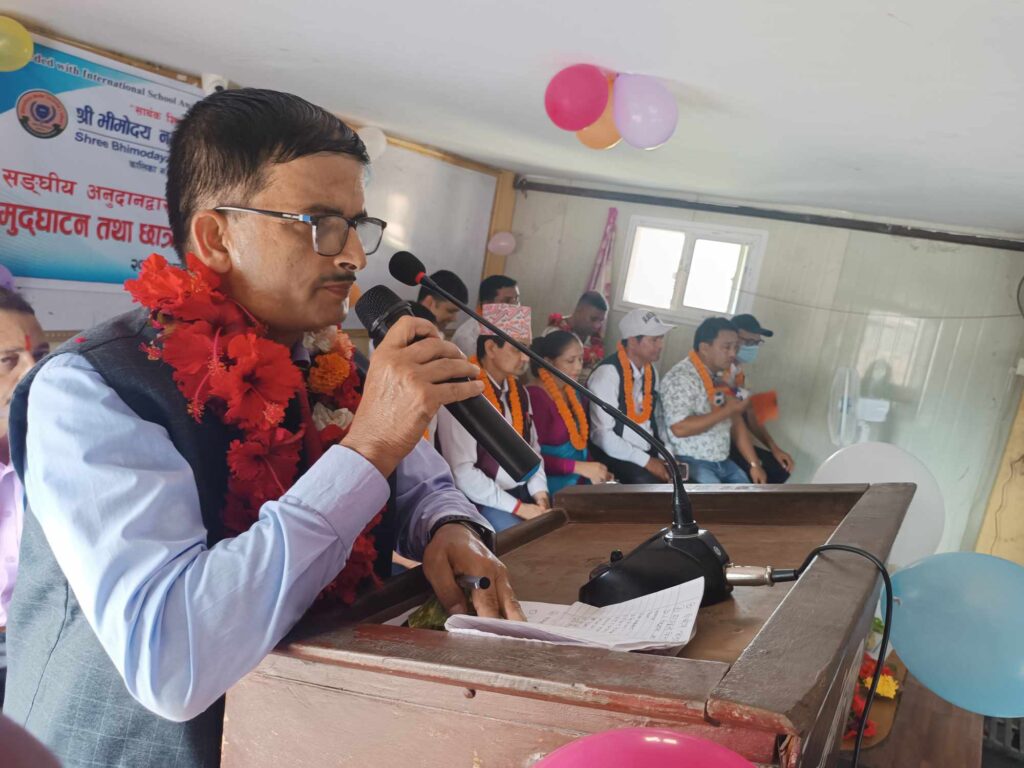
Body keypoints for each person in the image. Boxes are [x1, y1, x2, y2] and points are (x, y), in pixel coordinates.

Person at [4, 88, 523, 767]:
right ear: (216, 238)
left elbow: (422, 485)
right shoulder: (92, 388)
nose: (353, 257)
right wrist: (368, 449)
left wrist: (450, 527)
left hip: (307, 736)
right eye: (320, 223)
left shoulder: (337, 365)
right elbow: (172, 660)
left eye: (357, 226)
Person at [437, 304, 549, 532]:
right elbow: (462, 472)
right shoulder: (463, 394)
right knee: (521, 538)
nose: (525, 358)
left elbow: (533, 450)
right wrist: (519, 508)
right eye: (517, 349)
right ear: (490, 348)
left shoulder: (520, 392)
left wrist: (541, 494)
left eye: (527, 349)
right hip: (481, 501)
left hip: (523, 493)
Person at [0, 289, 48, 707]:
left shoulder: (60, 452)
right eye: (8, 360)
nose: (34, 372)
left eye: (41, 355)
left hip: (43, 649)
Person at [657, 317, 768, 484]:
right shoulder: (681, 378)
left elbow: (736, 422)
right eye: (727, 347)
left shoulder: (720, 377)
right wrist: (726, 411)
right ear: (704, 348)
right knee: (716, 500)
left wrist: (754, 464)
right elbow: (680, 428)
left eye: (735, 347)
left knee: (749, 495)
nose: (733, 354)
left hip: (723, 461)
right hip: (692, 462)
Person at [588, 309, 674, 484]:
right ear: (633, 342)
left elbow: (656, 421)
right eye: (654, 340)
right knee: (649, 486)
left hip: (648, 451)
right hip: (616, 456)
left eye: (661, 339)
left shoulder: (651, 372)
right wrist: (647, 461)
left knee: (683, 483)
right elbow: (602, 436)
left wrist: (667, 456)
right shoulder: (608, 374)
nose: (660, 345)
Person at [526, 331, 613, 495]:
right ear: (548, 362)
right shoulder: (535, 397)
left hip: (580, 480)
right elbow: (531, 459)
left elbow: (580, 444)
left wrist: (597, 470)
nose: (578, 367)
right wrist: (579, 467)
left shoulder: (574, 391)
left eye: (581, 359)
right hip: (550, 488)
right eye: (570, 361)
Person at [727, 313, 794, 483]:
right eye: (748, 342)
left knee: (780, 468)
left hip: (735, 441)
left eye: (756, 343)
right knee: (761, 476)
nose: (752, 348)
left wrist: (774, 448)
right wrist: (754, 463)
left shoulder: (739, 373)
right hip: (716, 445)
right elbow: (734, 423)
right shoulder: (718, 373)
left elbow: (751, 415)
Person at [544, 291, 607, 384]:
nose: (597, 325)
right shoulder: (555, 333)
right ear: (579, 310)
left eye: (601, 321)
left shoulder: (594, 338)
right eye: (593, 319)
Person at [451, 274, 520, 356]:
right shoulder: (467, 337)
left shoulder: (512, 327)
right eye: (507, 301)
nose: (515, 306)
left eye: (516, 300)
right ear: (486, 304)